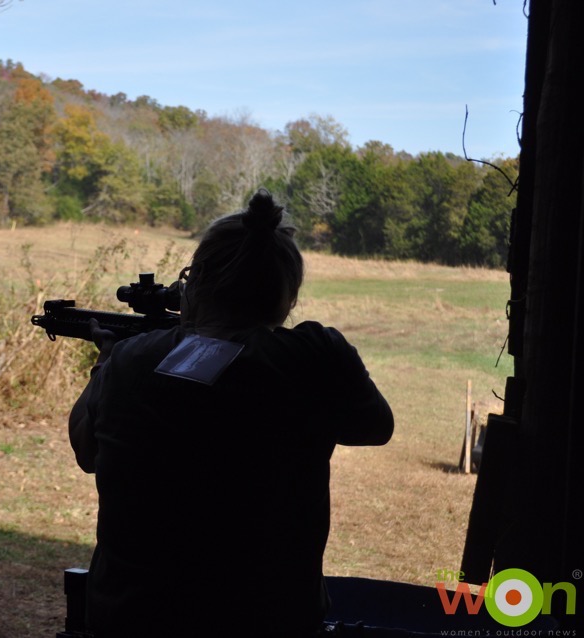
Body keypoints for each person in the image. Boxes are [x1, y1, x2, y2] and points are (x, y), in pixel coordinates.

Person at [69, 189, 393, 637]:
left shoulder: (130, 360)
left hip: (131, 617)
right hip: (270, 618)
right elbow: (375, 427)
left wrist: (105, 362)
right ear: (288, 295)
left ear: (195, 281)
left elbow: (86, 450)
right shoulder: (315, 355)